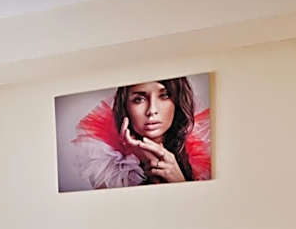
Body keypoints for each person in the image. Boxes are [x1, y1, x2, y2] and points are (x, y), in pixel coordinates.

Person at [71, 77, 211, 189]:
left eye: (165, 96)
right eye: (139, 99)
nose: (152, 110)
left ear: (177, 102)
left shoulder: (202, 155)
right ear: (125, 107)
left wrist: (178, 180)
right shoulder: (109, 167)